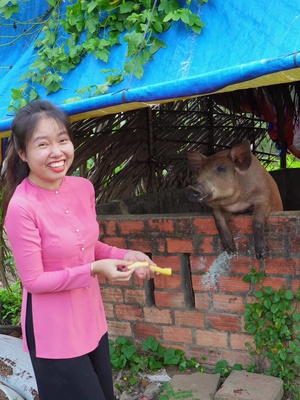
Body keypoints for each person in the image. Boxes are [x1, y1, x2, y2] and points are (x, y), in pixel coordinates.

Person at [2, 99, 155, 400]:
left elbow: (88, 245)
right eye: (43, 144)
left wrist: (124, 255)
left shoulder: (83, 187)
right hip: (52, 331)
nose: (57, 152)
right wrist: (94, 270)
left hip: (90, 318)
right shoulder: (22, 207)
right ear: (23, 153)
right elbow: (34, 281)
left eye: (63, 140)